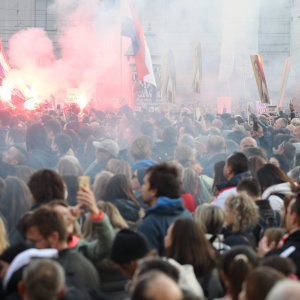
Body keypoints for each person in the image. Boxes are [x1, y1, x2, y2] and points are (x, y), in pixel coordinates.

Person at [23, 206, 100, 292]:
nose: (30, 246)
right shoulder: (83, 264)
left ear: (54, 237)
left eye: (34, 241)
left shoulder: (55, 273)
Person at [137, 163, 192, 254]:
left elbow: (148, 263)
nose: (141, 188)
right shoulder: (187, 215)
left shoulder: (149, 224)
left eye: (145, 184)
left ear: (153, 191)